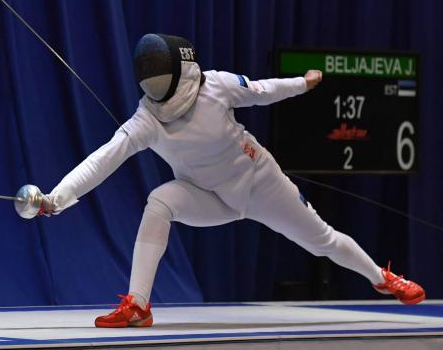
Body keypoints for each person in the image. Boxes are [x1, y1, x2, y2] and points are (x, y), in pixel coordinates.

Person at [41, 33, 425, 328]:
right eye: (149, 80)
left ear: (182, 68)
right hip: (208, 195)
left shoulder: (216, 85)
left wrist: (302, 83)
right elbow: (104, 158)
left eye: (160, 76)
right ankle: (138, 306)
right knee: (159, 202)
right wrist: (57, 197)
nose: (154, 88)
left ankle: (382, 278)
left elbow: (263, 90)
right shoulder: (147, 119)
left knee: (321, 239)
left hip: (259, 182)